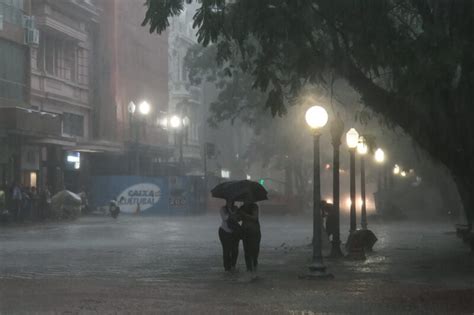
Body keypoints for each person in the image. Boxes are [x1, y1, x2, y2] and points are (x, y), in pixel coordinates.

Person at [218, 199, 241, 272]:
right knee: (226, 250)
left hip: (235, 232)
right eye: (228, 201)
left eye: (231, 201)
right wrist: (233, 215)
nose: (230, 202)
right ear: (226, 201)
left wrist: (235, 215)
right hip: (224, 232)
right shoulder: (223, 209)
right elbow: (225, 218)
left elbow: (239, 219)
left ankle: (233, 266)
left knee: (235, 250)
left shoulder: (236, 208)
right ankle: (227, 268)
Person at [239, 200, 261, 275]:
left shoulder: (254, 206)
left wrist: (244, 214)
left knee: (255, 250)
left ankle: (254, 265)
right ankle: (249, 269)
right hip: (245, 232)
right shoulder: (241, 208)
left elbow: (255, 218)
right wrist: (235, 212)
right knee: (247, 251)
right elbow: (238, 219)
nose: (246, 200)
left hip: (255, 231)